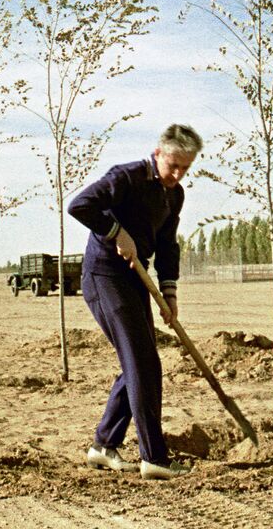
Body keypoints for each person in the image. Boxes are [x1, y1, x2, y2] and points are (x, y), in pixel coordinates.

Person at [68, 124, 203, 480]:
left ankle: (102, 446)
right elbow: (80, 205)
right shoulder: (126, 177)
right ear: (157, 153)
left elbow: (168, 245)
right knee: (143, 364)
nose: (177, 174)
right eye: (173, 165)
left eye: (185, 168)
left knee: (140, 363)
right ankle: (154, 458)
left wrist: (169, 292)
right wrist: (116, 232)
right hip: (104, 276)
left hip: (135, 278)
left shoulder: (174, 196)